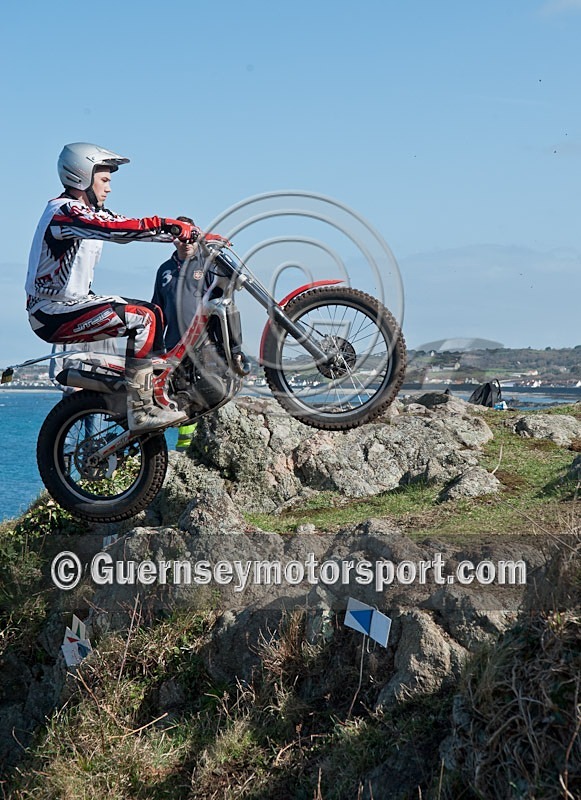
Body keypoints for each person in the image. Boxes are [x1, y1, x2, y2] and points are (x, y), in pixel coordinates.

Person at [25, 142, 198, 432]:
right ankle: (142, 410)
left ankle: (151, 390)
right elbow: (117, 230)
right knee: (142, 317)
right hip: (51, 312)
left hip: (69, 306)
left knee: (153, 312)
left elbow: (124, 229)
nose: (109, 188)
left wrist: (188, 236)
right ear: (81, 176)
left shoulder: (84, 216)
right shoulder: (65, 213)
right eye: (104, 180)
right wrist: (167, 223)